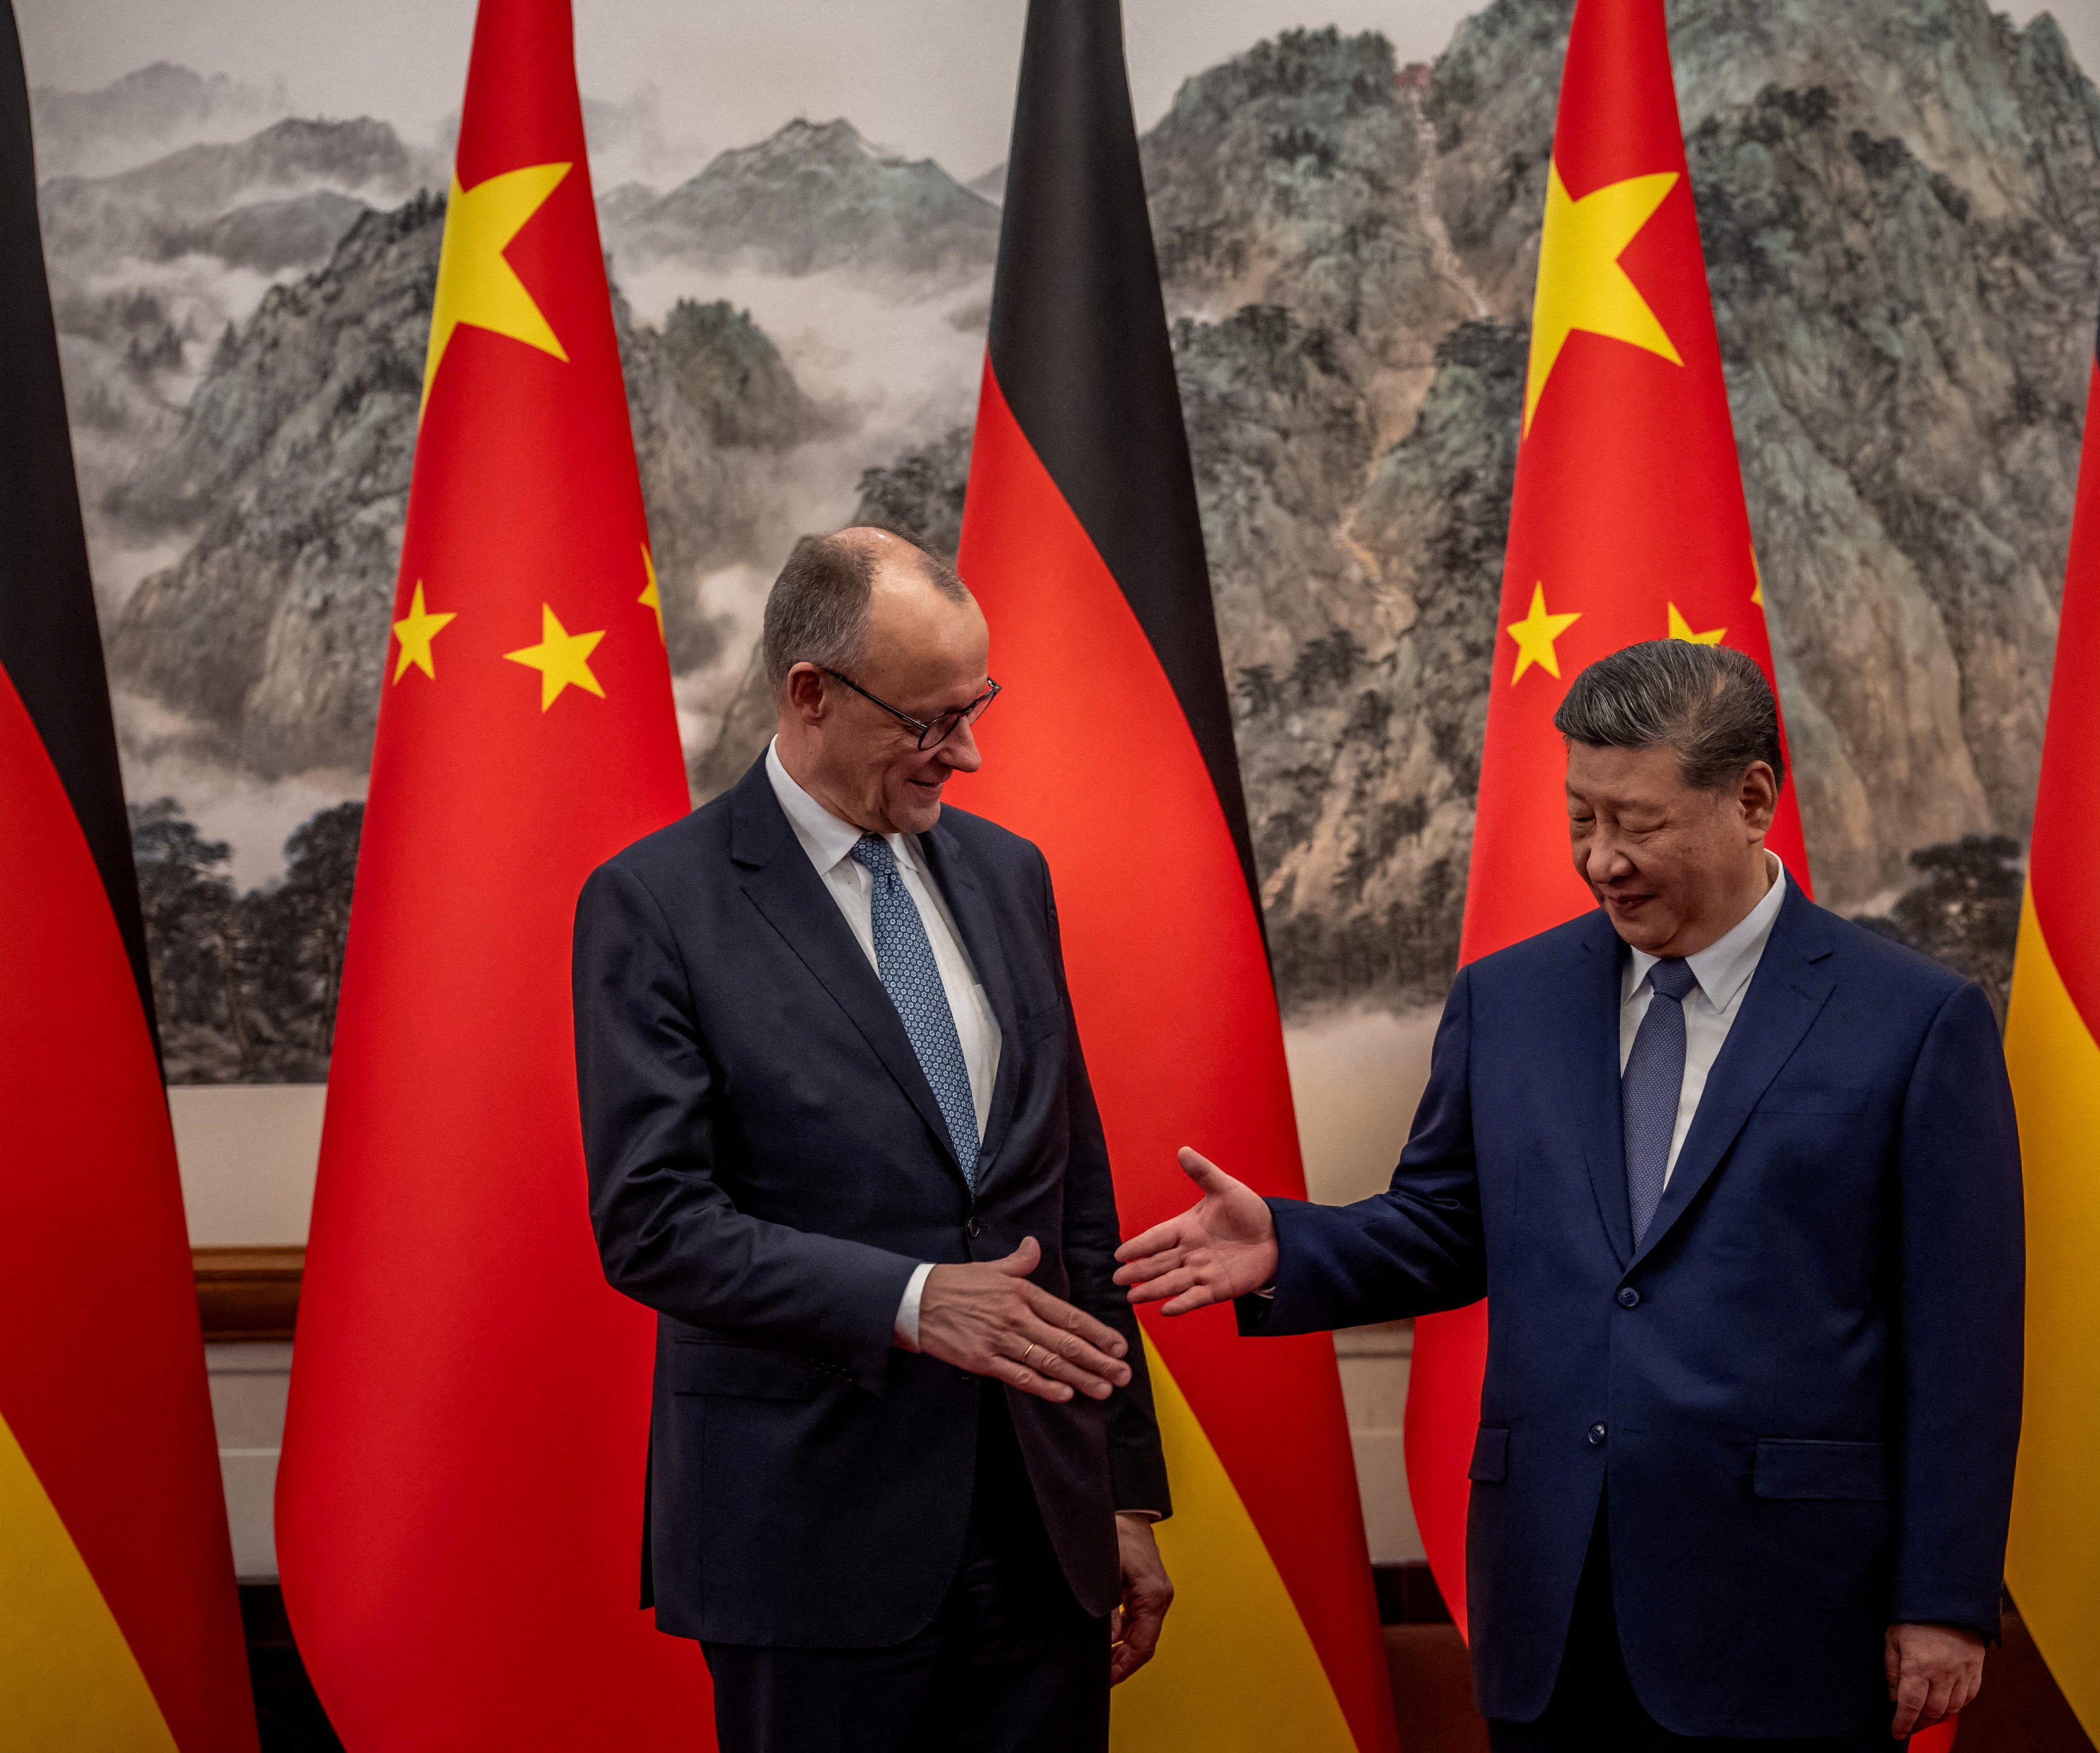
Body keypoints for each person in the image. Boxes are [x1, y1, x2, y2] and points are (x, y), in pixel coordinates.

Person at [1117, 640, 2023, 1749]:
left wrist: (1943, 1597)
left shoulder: (1915, 1023)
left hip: (1789, 1606)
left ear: (1752, 799)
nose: (1601, 862)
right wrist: (1290, 1248)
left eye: (1635, 823)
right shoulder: (1509, 1000)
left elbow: (1963, 1340)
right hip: (1552, 1599)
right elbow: (1447, 1226)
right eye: (1580, 818)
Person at [574, 527, 1172, 1753]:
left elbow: (1074, 1204)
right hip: (810, 1534)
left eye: (976, 706)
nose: (967, 752)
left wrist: (1116, 1491)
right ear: (810, 693)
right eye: (930, 719)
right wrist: (908, 1299)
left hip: (1035, 1526)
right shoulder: (657, 903)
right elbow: (654, 1222)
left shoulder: (1008, 876)